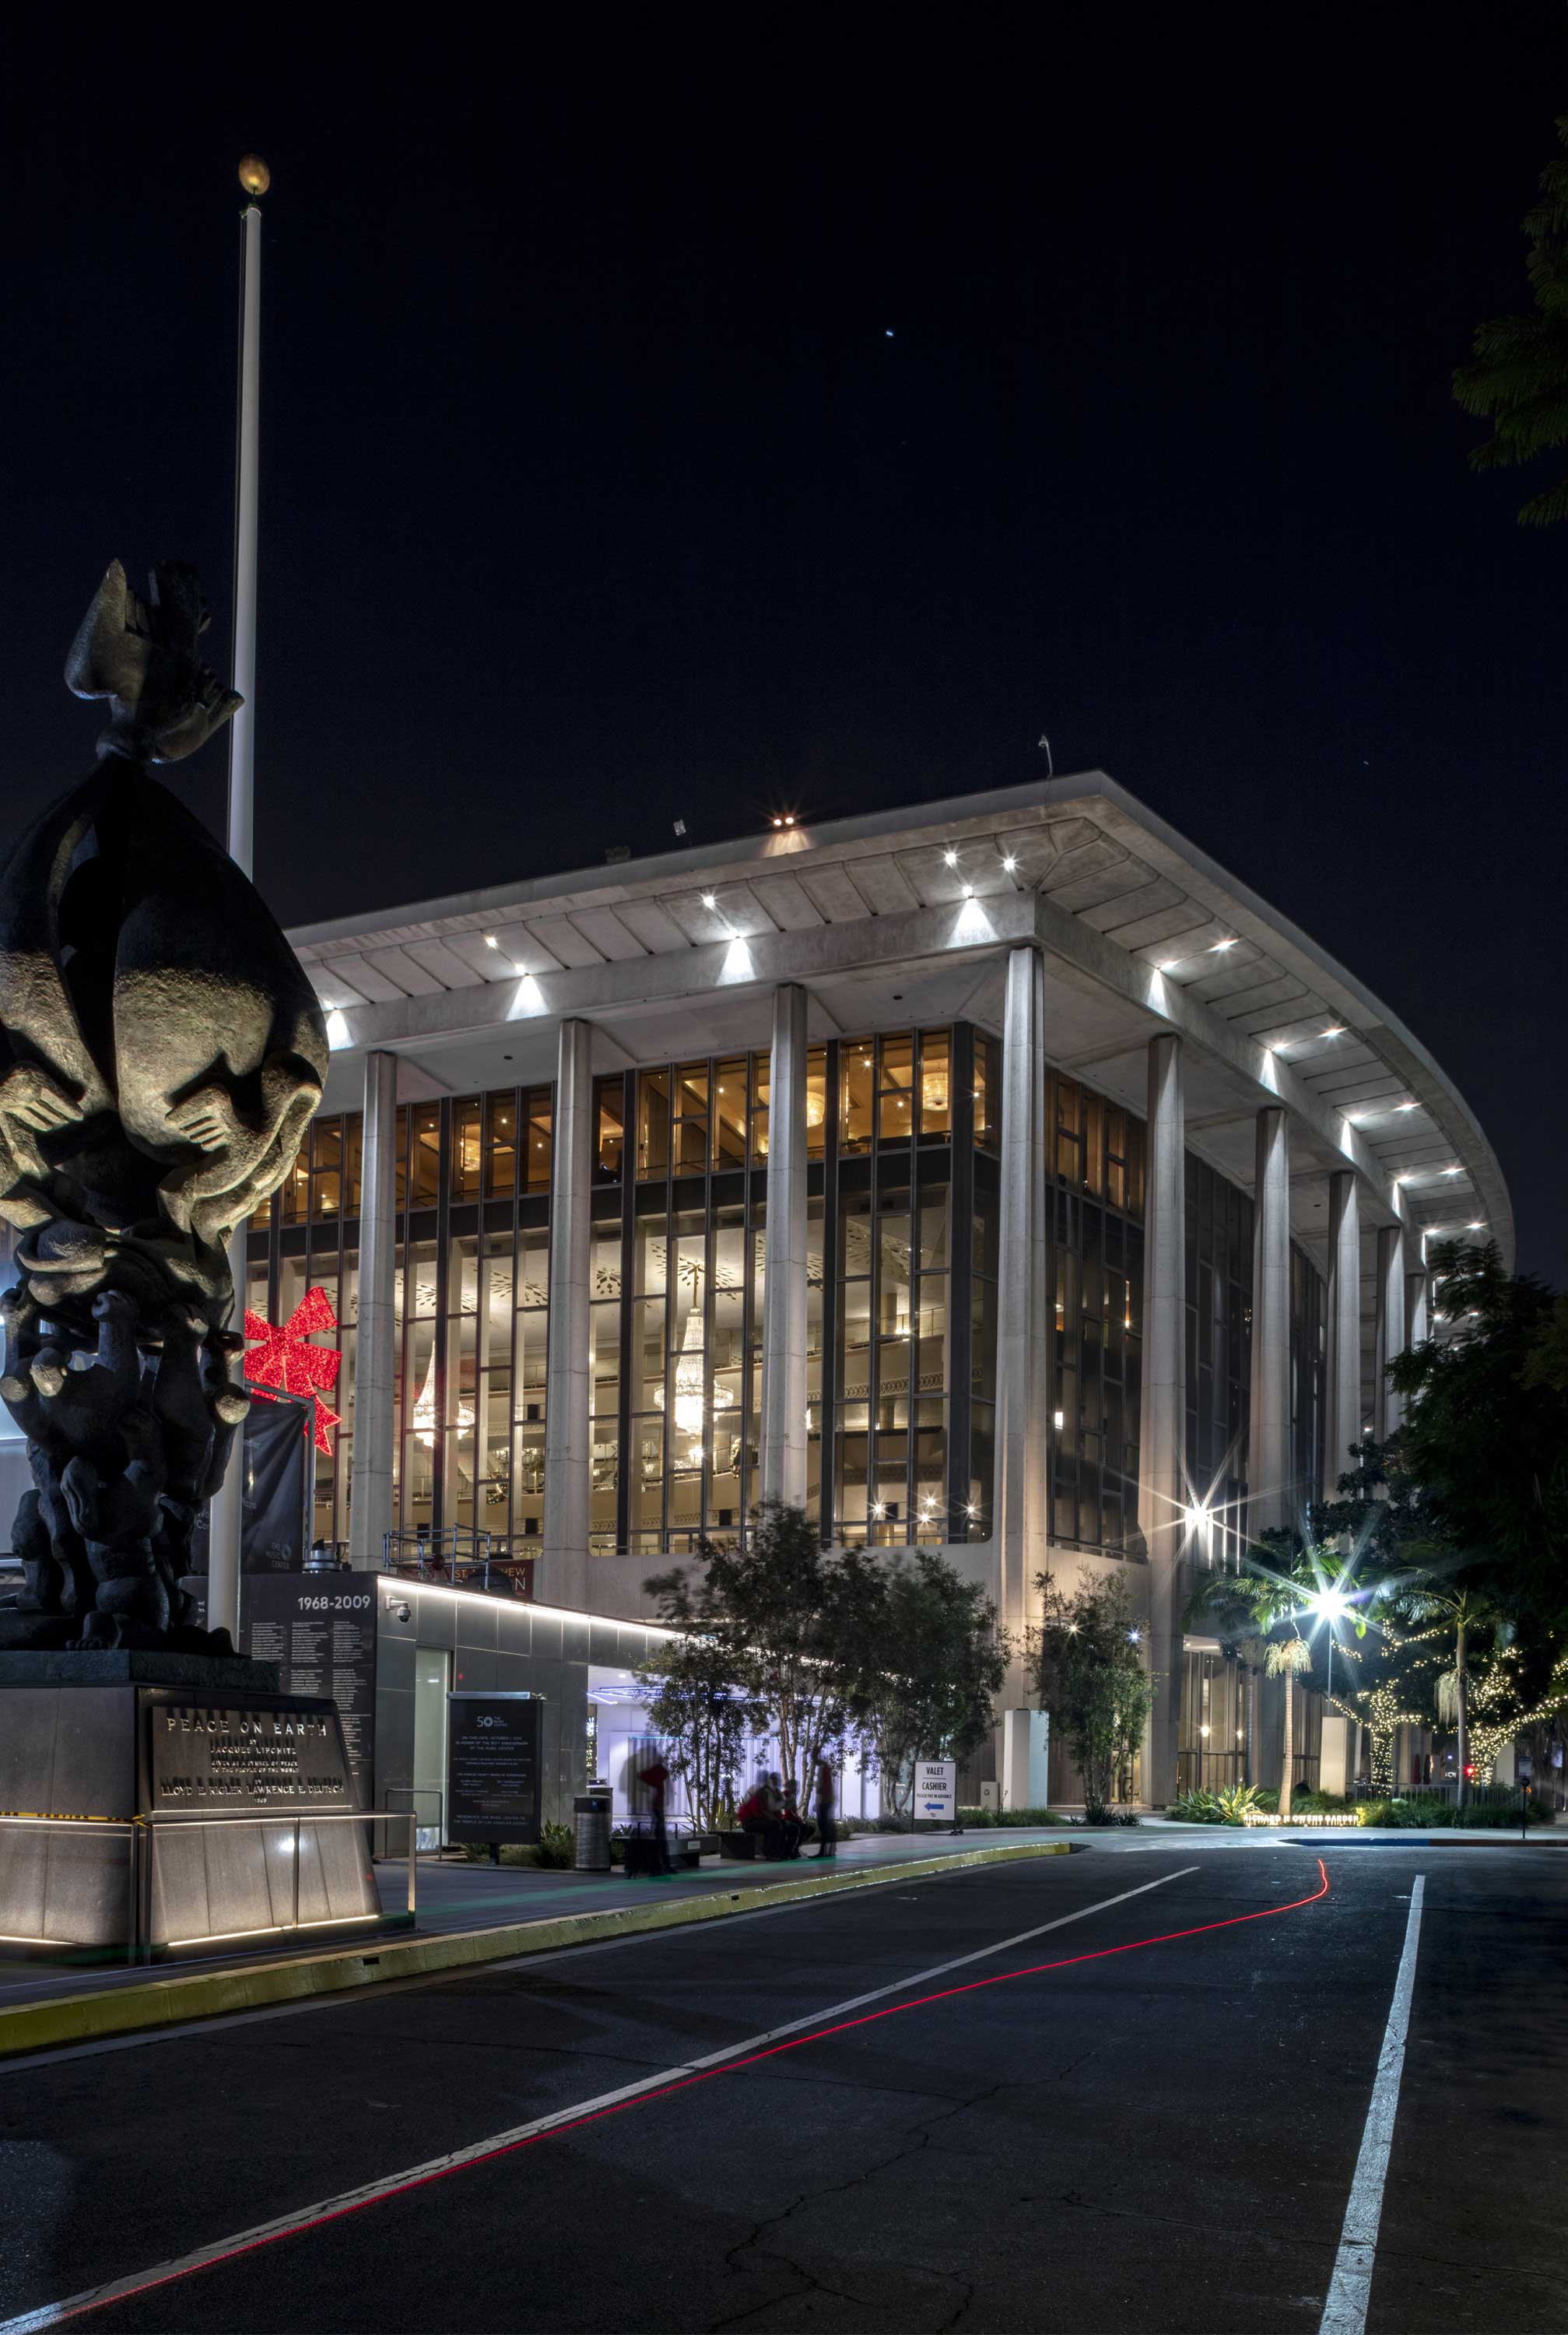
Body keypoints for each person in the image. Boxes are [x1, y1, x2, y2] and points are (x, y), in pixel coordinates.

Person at [637, 1757, 672, 1877]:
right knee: (659, 1838)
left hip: (658, 1808)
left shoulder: (658, 1779)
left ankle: (661, 1865)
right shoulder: (658, 1777)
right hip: (657, 1809)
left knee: (659, 1837)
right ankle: (660, 1866)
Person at [812, 1756, 837, 1859]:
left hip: (824, 1801)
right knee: (826, 1826)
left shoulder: (824, 1769)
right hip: (826, 1800)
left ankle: (824, 1851)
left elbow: (822, 1787)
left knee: (823, 1826)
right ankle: (828, 1851)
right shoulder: (826, 1769)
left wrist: (820, 1802)